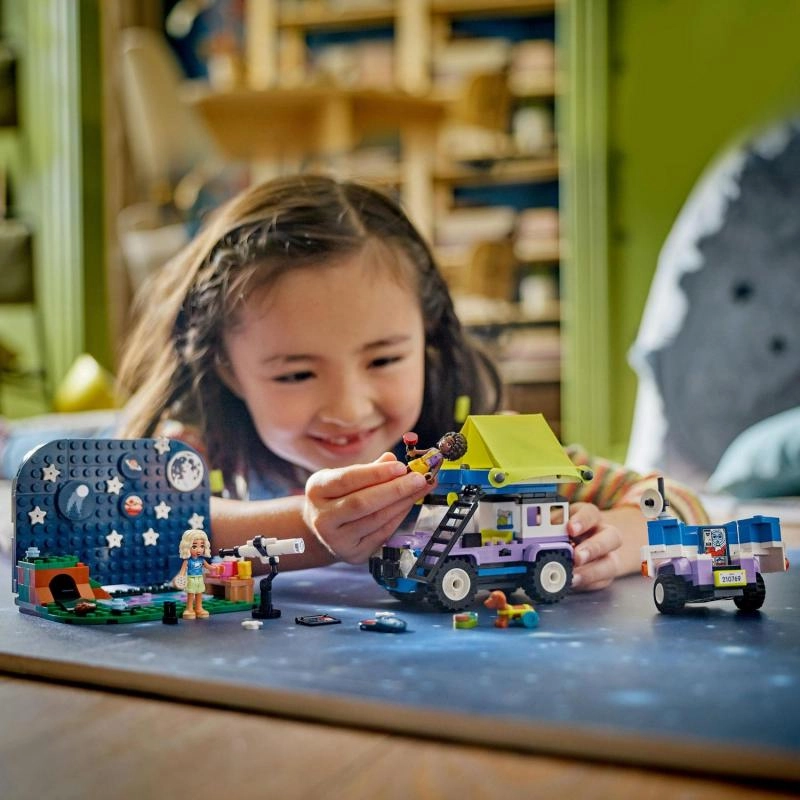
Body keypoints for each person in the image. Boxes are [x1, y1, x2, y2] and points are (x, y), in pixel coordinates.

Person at [112, 174, 707, 592]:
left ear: (427, 338)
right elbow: (123, 521)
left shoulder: (476, 452)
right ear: (227, 368)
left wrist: (618, 539)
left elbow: (679, 502)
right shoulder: (204, 451)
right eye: (296, 373)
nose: (349, 407)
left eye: (383, 360)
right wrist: (312, 532)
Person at [174, 529, 213, 619]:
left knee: (199, 593)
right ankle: (189, 609)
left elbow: (208, 566)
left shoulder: (202, 560)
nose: (199, 550)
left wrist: (216, 568)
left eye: (202, 546)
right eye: (194, 546)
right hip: (191, 579)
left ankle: (199, 608)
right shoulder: (187, 561)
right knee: (191, 594)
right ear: (187, 547)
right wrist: (180, 578)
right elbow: (182, 571)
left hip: (200, 579)